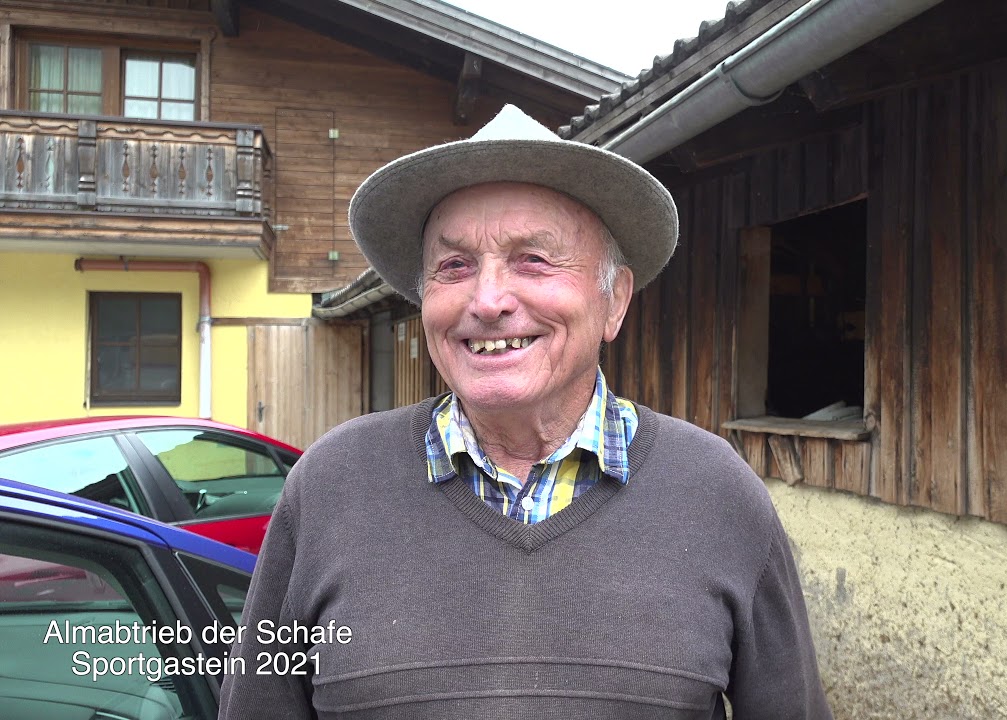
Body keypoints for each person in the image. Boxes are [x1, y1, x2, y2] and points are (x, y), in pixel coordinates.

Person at [218, 105, 831, 719]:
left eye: (533, 259)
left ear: (614, 301)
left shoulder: (717, 493)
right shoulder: (330, 486)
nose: (487, 301)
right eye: (454, 266)